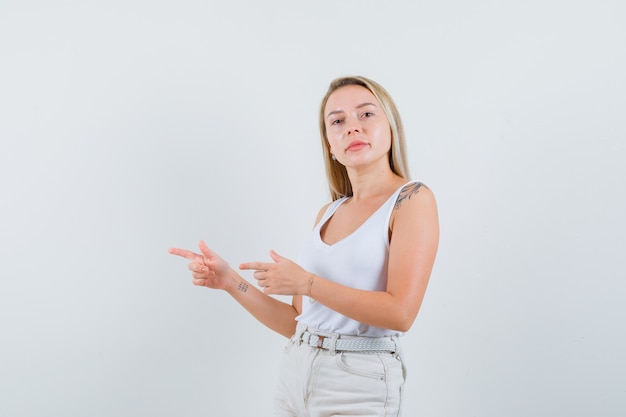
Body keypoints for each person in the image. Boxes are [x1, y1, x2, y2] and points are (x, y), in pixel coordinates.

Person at [169, 75, 439, 416]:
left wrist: (306, 283)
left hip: (358, 382)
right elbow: (297, 321)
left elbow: (401, 314)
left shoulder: (412, 199)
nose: (352, 128)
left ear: (390, 126)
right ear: (329, 143)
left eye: (366, 114)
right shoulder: (329, 213)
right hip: (296, 371)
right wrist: (230, 283)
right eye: (338, 121)